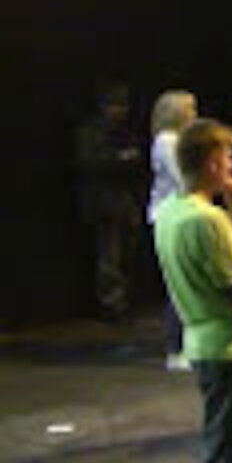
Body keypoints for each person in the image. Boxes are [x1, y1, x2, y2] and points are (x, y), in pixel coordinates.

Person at [153, 119, 232, 462]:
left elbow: (212, 261)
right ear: (213, 163)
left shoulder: (169, 211)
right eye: (228, 158)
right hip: (228, 346)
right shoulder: (207, 220)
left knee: (223, 440)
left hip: (201, 341)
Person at [76, 82, 144, 321]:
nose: (120, 111)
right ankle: (111, 305)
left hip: (126, 200)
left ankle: (125, 300)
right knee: (109, 257)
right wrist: (120, 159)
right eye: (115, 105)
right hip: (103, 203)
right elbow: (90, 163)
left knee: (127, 254)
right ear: (103, 107)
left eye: (123, 105)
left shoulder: (126, 132)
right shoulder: (91, 132)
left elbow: (137, 159)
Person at [149, 89, 199, 371]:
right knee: (177, 284)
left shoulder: (177, 140)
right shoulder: (167, 142)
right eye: (190, 109)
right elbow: (184, 179)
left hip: (179, 215)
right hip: (169, 217)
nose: (194, 115)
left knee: (185, 282)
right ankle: (175, 348)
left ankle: (183, 345)